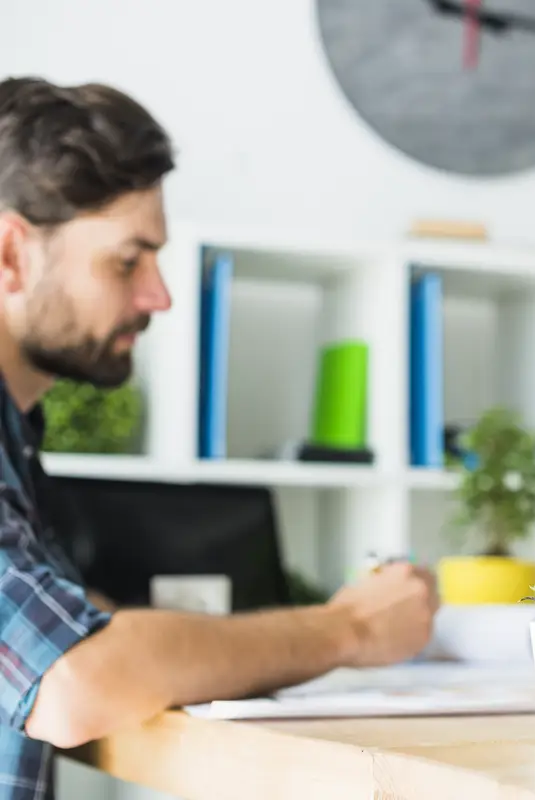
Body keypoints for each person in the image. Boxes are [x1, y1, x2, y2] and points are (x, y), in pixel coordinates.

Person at [0, 77, 438, 798]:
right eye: (126, 260)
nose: (160, 296)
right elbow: (72, 676)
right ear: (13, 255)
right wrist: (350, 629)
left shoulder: (16, 431)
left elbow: (82, 625)